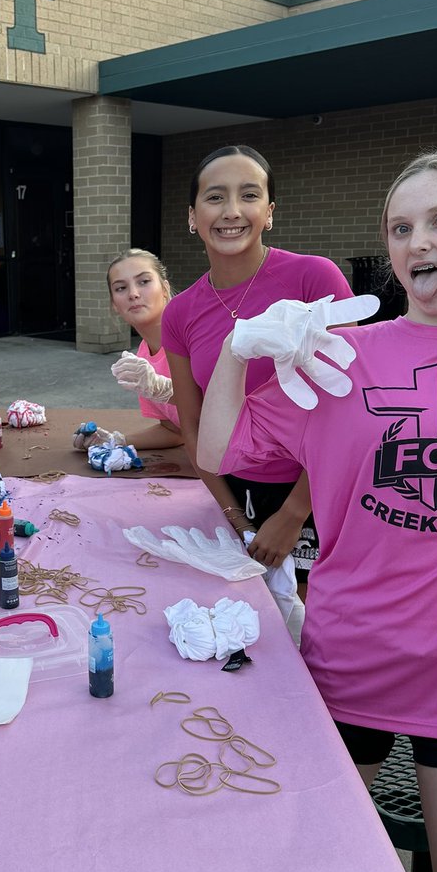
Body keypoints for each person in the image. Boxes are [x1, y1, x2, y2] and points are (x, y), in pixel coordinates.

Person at [197, 144, 437, 872]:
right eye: (401, 228)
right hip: (349, 662)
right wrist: (239, 355)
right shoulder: (338, 356)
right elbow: (218, 451)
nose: (418, 243)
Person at [162, 144, 353, 576]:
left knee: (314, 625)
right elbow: (192, 426)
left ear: (269, 212)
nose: (231, 211)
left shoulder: (314, 278)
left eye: (248, 195)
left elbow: (348, 408)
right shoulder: (180, 313)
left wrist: (293, 513)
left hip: (319, 492)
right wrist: (237, 519)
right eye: (215, 197)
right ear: (192, 216)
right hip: (233, 493)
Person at [76, 249, 183, 451]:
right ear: (114, 304)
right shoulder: (142, 358)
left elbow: (223, 416)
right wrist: (115, 441)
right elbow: (175, 431)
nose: (133, 294)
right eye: (121, 288)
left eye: (144, 282)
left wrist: (166, 390)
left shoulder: (194, 337)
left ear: (165, 288)